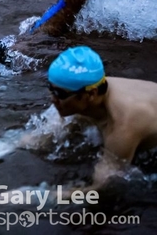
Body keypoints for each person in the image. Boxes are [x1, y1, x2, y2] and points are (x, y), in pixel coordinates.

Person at [46, 46, 157, 190]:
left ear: (90, 95)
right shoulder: (86, 86)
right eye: (50, 89)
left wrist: (32, 196)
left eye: (59, 94)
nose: (52, 99)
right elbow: (41, 136)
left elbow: (100, 186)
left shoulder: (124, 124)